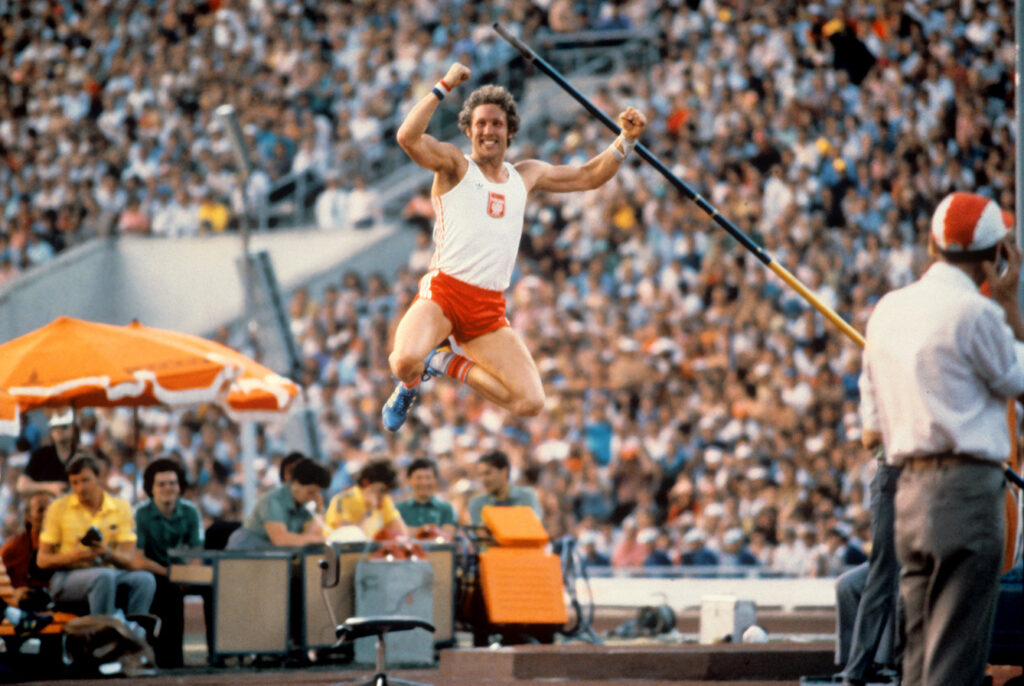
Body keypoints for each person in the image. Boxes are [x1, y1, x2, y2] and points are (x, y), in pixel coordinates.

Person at [381, 61, 647, 431]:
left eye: (496, 124)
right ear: (469, 130)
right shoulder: (455, 165)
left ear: (509, 132)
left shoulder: (527, 174)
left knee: (530, 402)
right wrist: (444, 85)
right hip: (444, 292)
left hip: (487, 307)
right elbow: (408, 138)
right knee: (403, 361)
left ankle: (443, 361)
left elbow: (589, 176)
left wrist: (626, 140)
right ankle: (409, 385)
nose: (489, 130)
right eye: (481, 124)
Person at [859, 191, 1024, 686]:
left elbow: (871, 430)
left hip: (906, 490)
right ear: (996, 256)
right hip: (966, 491)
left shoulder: (888, 310)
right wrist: (1011, 299)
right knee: (956, 654)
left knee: (918, 652)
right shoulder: (975, 314)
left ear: (932, 246)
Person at [36, 453, 156, 617]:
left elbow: (129, 558)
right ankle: (103, 634)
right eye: (74, 483)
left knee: (145, 580)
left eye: (85, 480)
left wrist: (106, 553)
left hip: (108, 570)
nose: (80, 488)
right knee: (103, 577)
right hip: (67, 576)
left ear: (99, 477)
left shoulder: (120, 507)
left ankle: (135, 631)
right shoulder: (58, 508)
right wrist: (73, 557)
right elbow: (42, 560)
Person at [836, 448, 901, 686]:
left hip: (920, 472)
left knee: (893, 583)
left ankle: (861, 670)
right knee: (847, 584)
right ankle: (856, 666)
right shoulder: (882, 482)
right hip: (894, 467)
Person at [133, 458, 204, 668]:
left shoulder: (191, 511)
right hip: (153, 571)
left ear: (180, 486)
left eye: (172, 483)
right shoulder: (140, 514)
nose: (167, 488)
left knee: (216, 589)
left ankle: (219, 652)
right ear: (151, 488)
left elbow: (197, 552)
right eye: (161, 484)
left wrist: (189, 574)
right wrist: (171, 575)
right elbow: (139, 559)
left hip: (182, 572)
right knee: (164, 589)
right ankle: (167, 659)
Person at [225, 457, 330, 550]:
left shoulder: (305, 504)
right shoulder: (272, 500)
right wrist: (313, 539)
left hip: (271, 560)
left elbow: (314, 537)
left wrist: (319, 510)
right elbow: (280, 539)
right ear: (296, 484)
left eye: (318, 493)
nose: (314, 497)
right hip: (243, 555)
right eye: (310, 492)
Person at [325, 458, 407, 540]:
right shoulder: (342, 500)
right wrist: (369, 512)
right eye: (381, 490)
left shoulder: (384, 499)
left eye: (387, 492)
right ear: (366, 483)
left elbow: (402, 534)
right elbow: (347, 541)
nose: (384, 496)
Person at [0, 491, 55, 609]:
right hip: (23, 611)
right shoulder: (13, 548)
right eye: (41, 510)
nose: (47, 515)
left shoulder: (67, 545)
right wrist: (13, 593)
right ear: (28, 516)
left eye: (52, 510)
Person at [466, 449, 542, 527]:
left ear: (504, 472)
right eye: (480, 475)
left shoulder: (526, 496)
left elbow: (534, 526)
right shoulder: (477, 503)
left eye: (488, 473)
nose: (483, 479)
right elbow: (482, 535)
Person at [17, 409, 77, 496]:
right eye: (55, 427)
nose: (59, 431)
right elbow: (22, 486)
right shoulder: (41, 455)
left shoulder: (81, 456)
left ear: (73, 429)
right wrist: (49, 487)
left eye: (64, 427)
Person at [395, 458, 457, 539]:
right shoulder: (398, 509)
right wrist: (433, 531)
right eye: (419, 478)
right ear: (408, 480)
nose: (424, 482)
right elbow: (396, 536)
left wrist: (410, 531)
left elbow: (447, 537)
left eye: (428, 477)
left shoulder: (447, 509)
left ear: (435, 480)